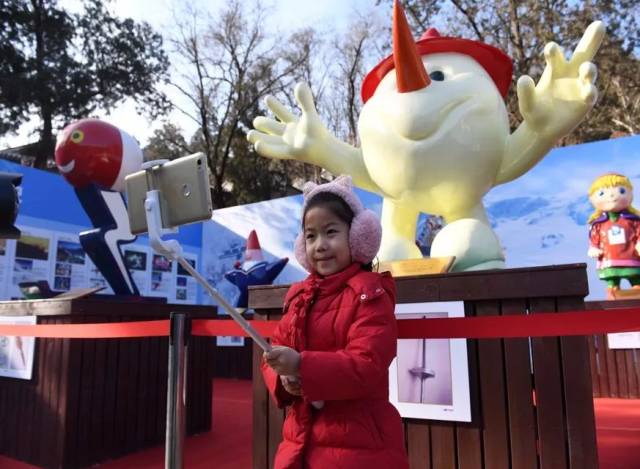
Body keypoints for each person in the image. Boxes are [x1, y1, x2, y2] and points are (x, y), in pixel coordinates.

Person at [262, 175, 409, 469]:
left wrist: (301, 365)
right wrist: (284, 378)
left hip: (360, 447)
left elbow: (367, 364)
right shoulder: (299, 297)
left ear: (358, 236)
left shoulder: (370, 294)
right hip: (298, 443)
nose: (320, 245)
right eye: (310, 236)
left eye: (331, 232)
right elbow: (274, 352)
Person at [588, 173, 640, 299]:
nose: (612, 195)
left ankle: (636, 290)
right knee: (612, 279)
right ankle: (614, 292)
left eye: (621, 191)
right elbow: (594, 237)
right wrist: (594, 247)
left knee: (635, 277)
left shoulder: (633, 220)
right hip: (609, 257)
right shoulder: (599, 223)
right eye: (602, 193)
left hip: (631, 255)